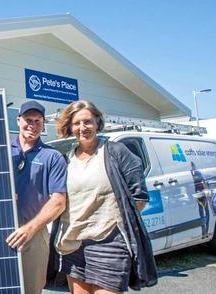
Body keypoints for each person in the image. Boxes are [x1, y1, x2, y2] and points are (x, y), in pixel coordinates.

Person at [55, 100, 157, 293]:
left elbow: (139, 198)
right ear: (70, 126)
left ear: (97, 123)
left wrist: (115, 225)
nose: (82, 128)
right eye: (76, 123)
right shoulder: (66, 160)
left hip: (109, 243)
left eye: (87, 122)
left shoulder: (116, 152)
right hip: (73, 244)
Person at [6, 100, 67, 294]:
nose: (32, 125)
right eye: (27, 120)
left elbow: (58, 202)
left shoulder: (52, 156)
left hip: (34, 233)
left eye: (37, 121)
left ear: (43, 124)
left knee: (31, 289)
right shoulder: (2, 151)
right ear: (18, 120)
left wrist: (29, 229)